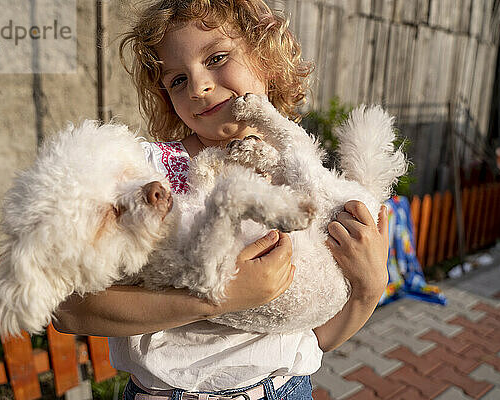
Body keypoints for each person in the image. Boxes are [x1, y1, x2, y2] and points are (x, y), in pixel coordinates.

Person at [53, 0, 389, 398]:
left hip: (285, 390)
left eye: (217, 57)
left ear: (265, 56)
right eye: (177, 80)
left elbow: (318, 339)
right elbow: (68, 309)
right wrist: (215, 298)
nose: (198, 87)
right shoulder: (145, 176)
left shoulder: (308, 177)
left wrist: (370, 286)